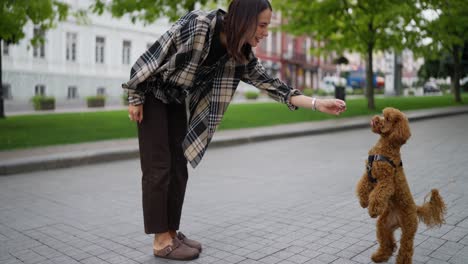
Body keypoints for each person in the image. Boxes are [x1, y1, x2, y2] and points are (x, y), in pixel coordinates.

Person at [122, 0, 346, 261]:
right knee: (158, 167)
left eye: (267, 26)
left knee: (178, 168)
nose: (265, 32)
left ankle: (171, 231)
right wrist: (135, 96)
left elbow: (275, 86)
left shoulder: (240, 54)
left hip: (174, 98)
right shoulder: (199, 24)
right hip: (151, 93)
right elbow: (153, 56)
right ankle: (161, 241)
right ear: (244, 19)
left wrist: (319, 104)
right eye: (262, 25)